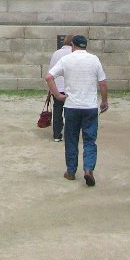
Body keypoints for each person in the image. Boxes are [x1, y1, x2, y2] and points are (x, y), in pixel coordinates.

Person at [45, 35, 109, 187]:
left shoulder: (66, 59)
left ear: (72, 45)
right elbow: (103, 83)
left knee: (71, 139)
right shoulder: (94, 59)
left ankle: (71, 171)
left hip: (72, 106)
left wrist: (58, 95)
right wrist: (104, 101)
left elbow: (49, 77)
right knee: (89, 140)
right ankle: (88, 169)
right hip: (90, 106)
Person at [47, 35, 73, 142]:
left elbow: (51, 70)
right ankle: (69, 134)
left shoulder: (56, 53)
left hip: (56, 86)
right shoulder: (74, 54)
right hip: (69, 87)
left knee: (57, 110)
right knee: (70, 111)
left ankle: (57, 134)